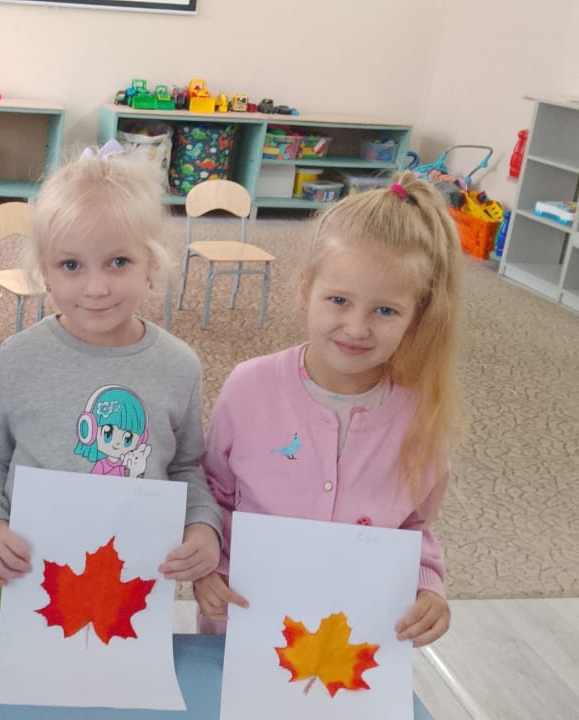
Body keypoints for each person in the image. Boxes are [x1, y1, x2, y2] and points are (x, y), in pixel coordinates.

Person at [192, 171, 462, 647]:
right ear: (305, 291)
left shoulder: (423, 415)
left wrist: (429, 588)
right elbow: (213, 495)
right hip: (241, 630)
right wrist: (210, 566)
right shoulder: (249, 387)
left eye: (385, 310)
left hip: (350, 647)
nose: (356, 328)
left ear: (416, 315)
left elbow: (414, 527)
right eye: (339, 300)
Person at [0, 146, 222, 627]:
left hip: (131, 584)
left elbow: (186, 467)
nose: (96, 287)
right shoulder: (18, 359)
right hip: (28, 580)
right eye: (71, 265)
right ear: (44, 271)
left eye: (118, 262)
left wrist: (204, 526)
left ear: (151, 264)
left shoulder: (178, 365)